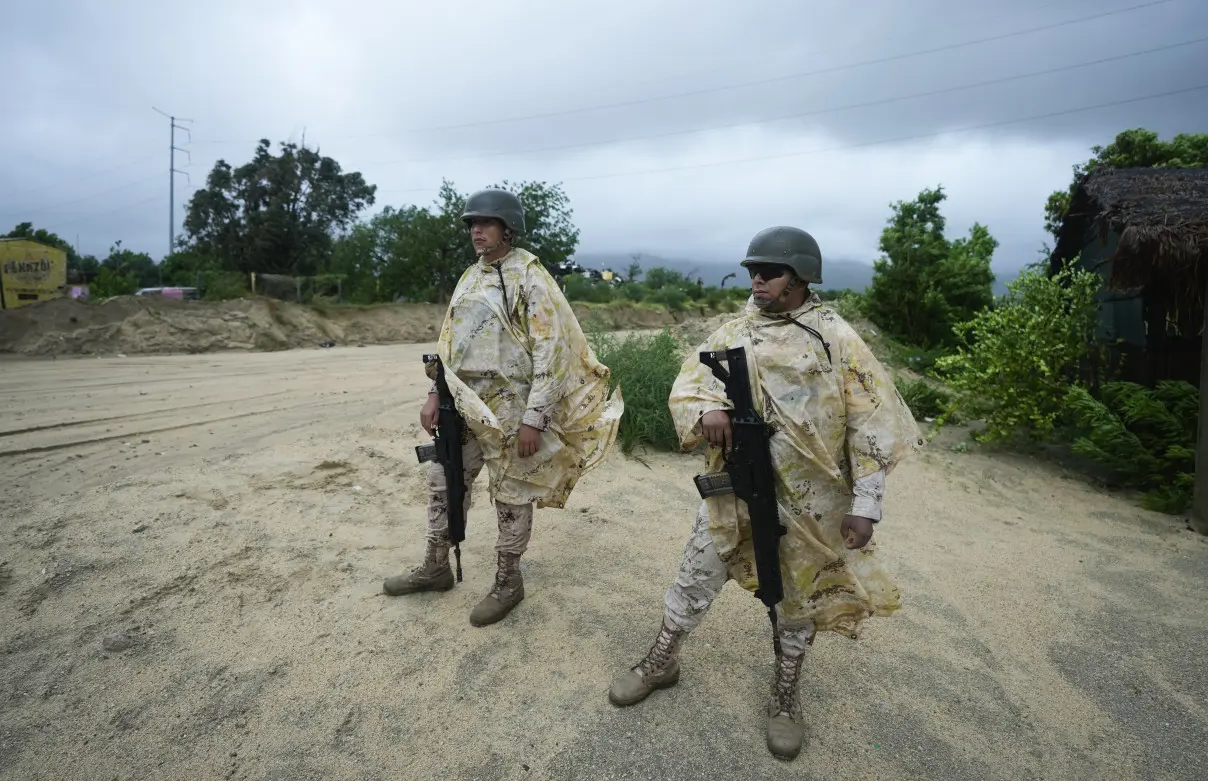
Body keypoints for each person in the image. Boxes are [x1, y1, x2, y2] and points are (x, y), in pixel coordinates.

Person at [606, 225, 923, 761]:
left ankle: (785, 695)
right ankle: (663, 660)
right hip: (736, 487)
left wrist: (866, 506)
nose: (757, 279)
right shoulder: (733, 332)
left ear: (799, 278)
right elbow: (689, 382)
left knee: (797, 596)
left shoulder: (835, 337)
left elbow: (871, 422)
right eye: (753, 269)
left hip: (811, 498)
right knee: (698, 570)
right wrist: (707, 408)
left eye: (770, 272)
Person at [382, 188, 624, 627]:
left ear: (507, 230)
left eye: (486, 223)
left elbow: (551, 350)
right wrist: (436, 392)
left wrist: (536, 418)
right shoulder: (469, 278)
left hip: (515, 412)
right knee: (443, 479)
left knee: (512, 495)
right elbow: (448, 341)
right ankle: (436, 566)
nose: (476, 230)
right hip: (465, 407)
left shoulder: (530, 278)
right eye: (472, 224)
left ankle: (509, 580)